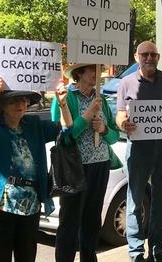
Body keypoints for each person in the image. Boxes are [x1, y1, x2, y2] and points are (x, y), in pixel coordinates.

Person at [0, 75, 73, 261]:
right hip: (0, 206)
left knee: (27, 257)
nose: (20, 103)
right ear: (3, 105)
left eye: (24, 99)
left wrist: (62, 103)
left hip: (31, 206)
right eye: (14, 99)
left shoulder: (34, 125)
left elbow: (66, 129)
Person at [116, 41, 162, 262]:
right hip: (139, 148)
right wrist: (124, 124)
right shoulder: (126, 82)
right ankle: (136, 253)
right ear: (136, 57)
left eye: (154, 54)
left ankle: (158, 249)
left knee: (161, 199)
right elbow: (120, 115)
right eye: (145, 54)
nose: (150, 58)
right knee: (135, 200)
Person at [52, 63, 121, 262]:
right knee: (69, 221)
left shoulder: (102, 101)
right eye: (93, 70)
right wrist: (88, 114)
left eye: (99, 70)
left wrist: (105, 130)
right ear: (79, 73)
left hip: (100, 165)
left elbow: (114, 137)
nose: (97, 74)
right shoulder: (66, 98)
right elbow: (64, 136)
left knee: (92, 220)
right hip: (75, 168)